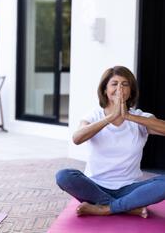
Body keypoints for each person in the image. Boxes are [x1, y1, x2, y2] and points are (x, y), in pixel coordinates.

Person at [56, 66, 165, 218]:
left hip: (130, 187)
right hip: (95, 186)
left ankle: (106, 208)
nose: (119, 88)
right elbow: (77, 138)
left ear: (131, 90)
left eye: (125, 84)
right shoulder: (93, 115)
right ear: (105, 90)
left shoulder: (141, 117)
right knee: (64, 175)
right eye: (114, 83)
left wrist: (128, 116)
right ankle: (127, 206)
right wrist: (110, 118)